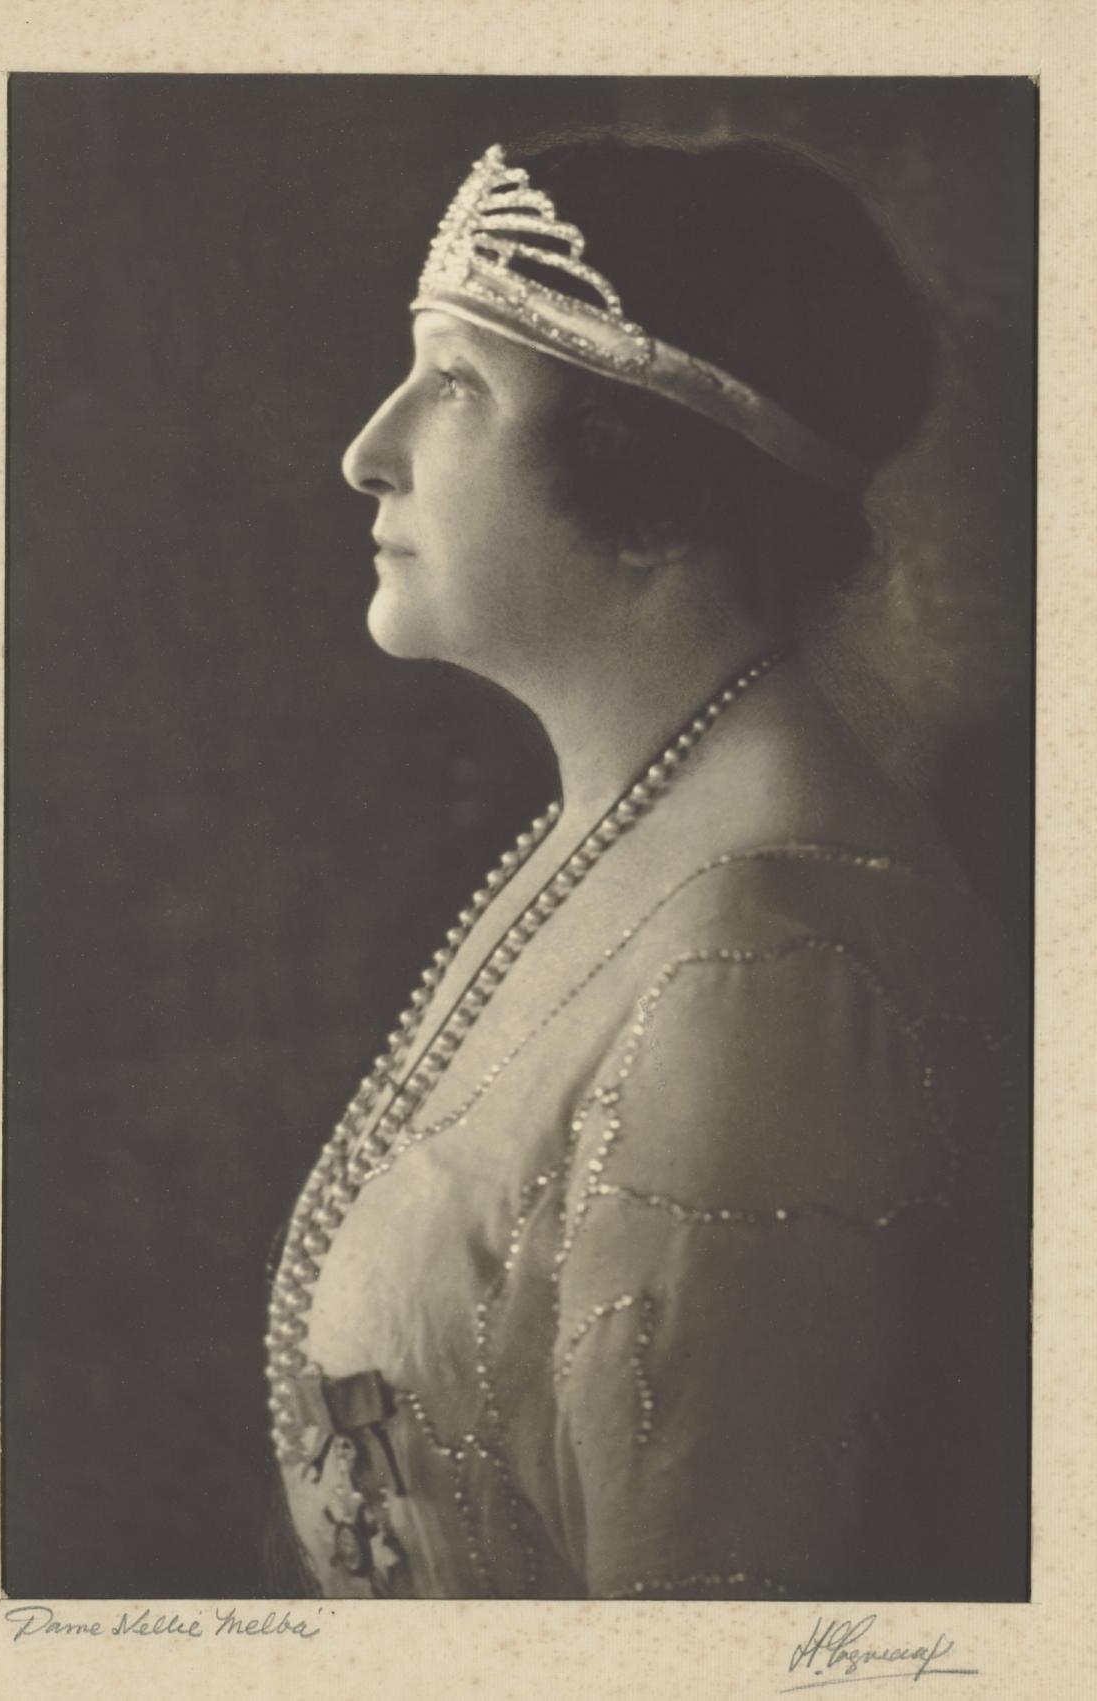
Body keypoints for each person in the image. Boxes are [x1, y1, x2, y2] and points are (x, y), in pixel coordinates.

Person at [264, 134, 1028, 1600]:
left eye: (460, 385)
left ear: (652, 480)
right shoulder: (628, 835)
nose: (370, 444)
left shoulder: (774, 974)